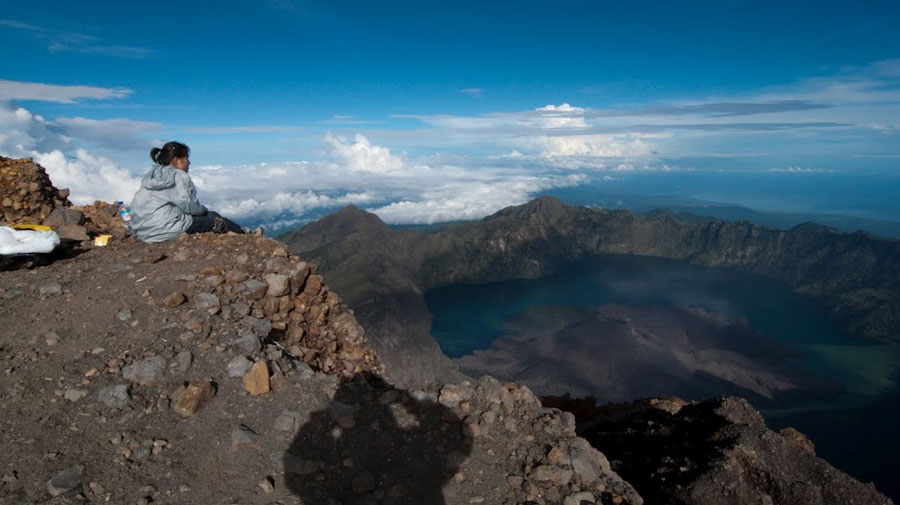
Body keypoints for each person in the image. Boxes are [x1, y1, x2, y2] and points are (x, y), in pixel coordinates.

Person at [129, 141, 252, 243]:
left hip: (143, 232)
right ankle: (246, 234)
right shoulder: (179, 176)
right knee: (214, 218)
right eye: (186, 159)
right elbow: (189, 206)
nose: (189, 163)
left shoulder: (152, 176)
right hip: (164, 230)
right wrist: (203, 210)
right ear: (176, 160)